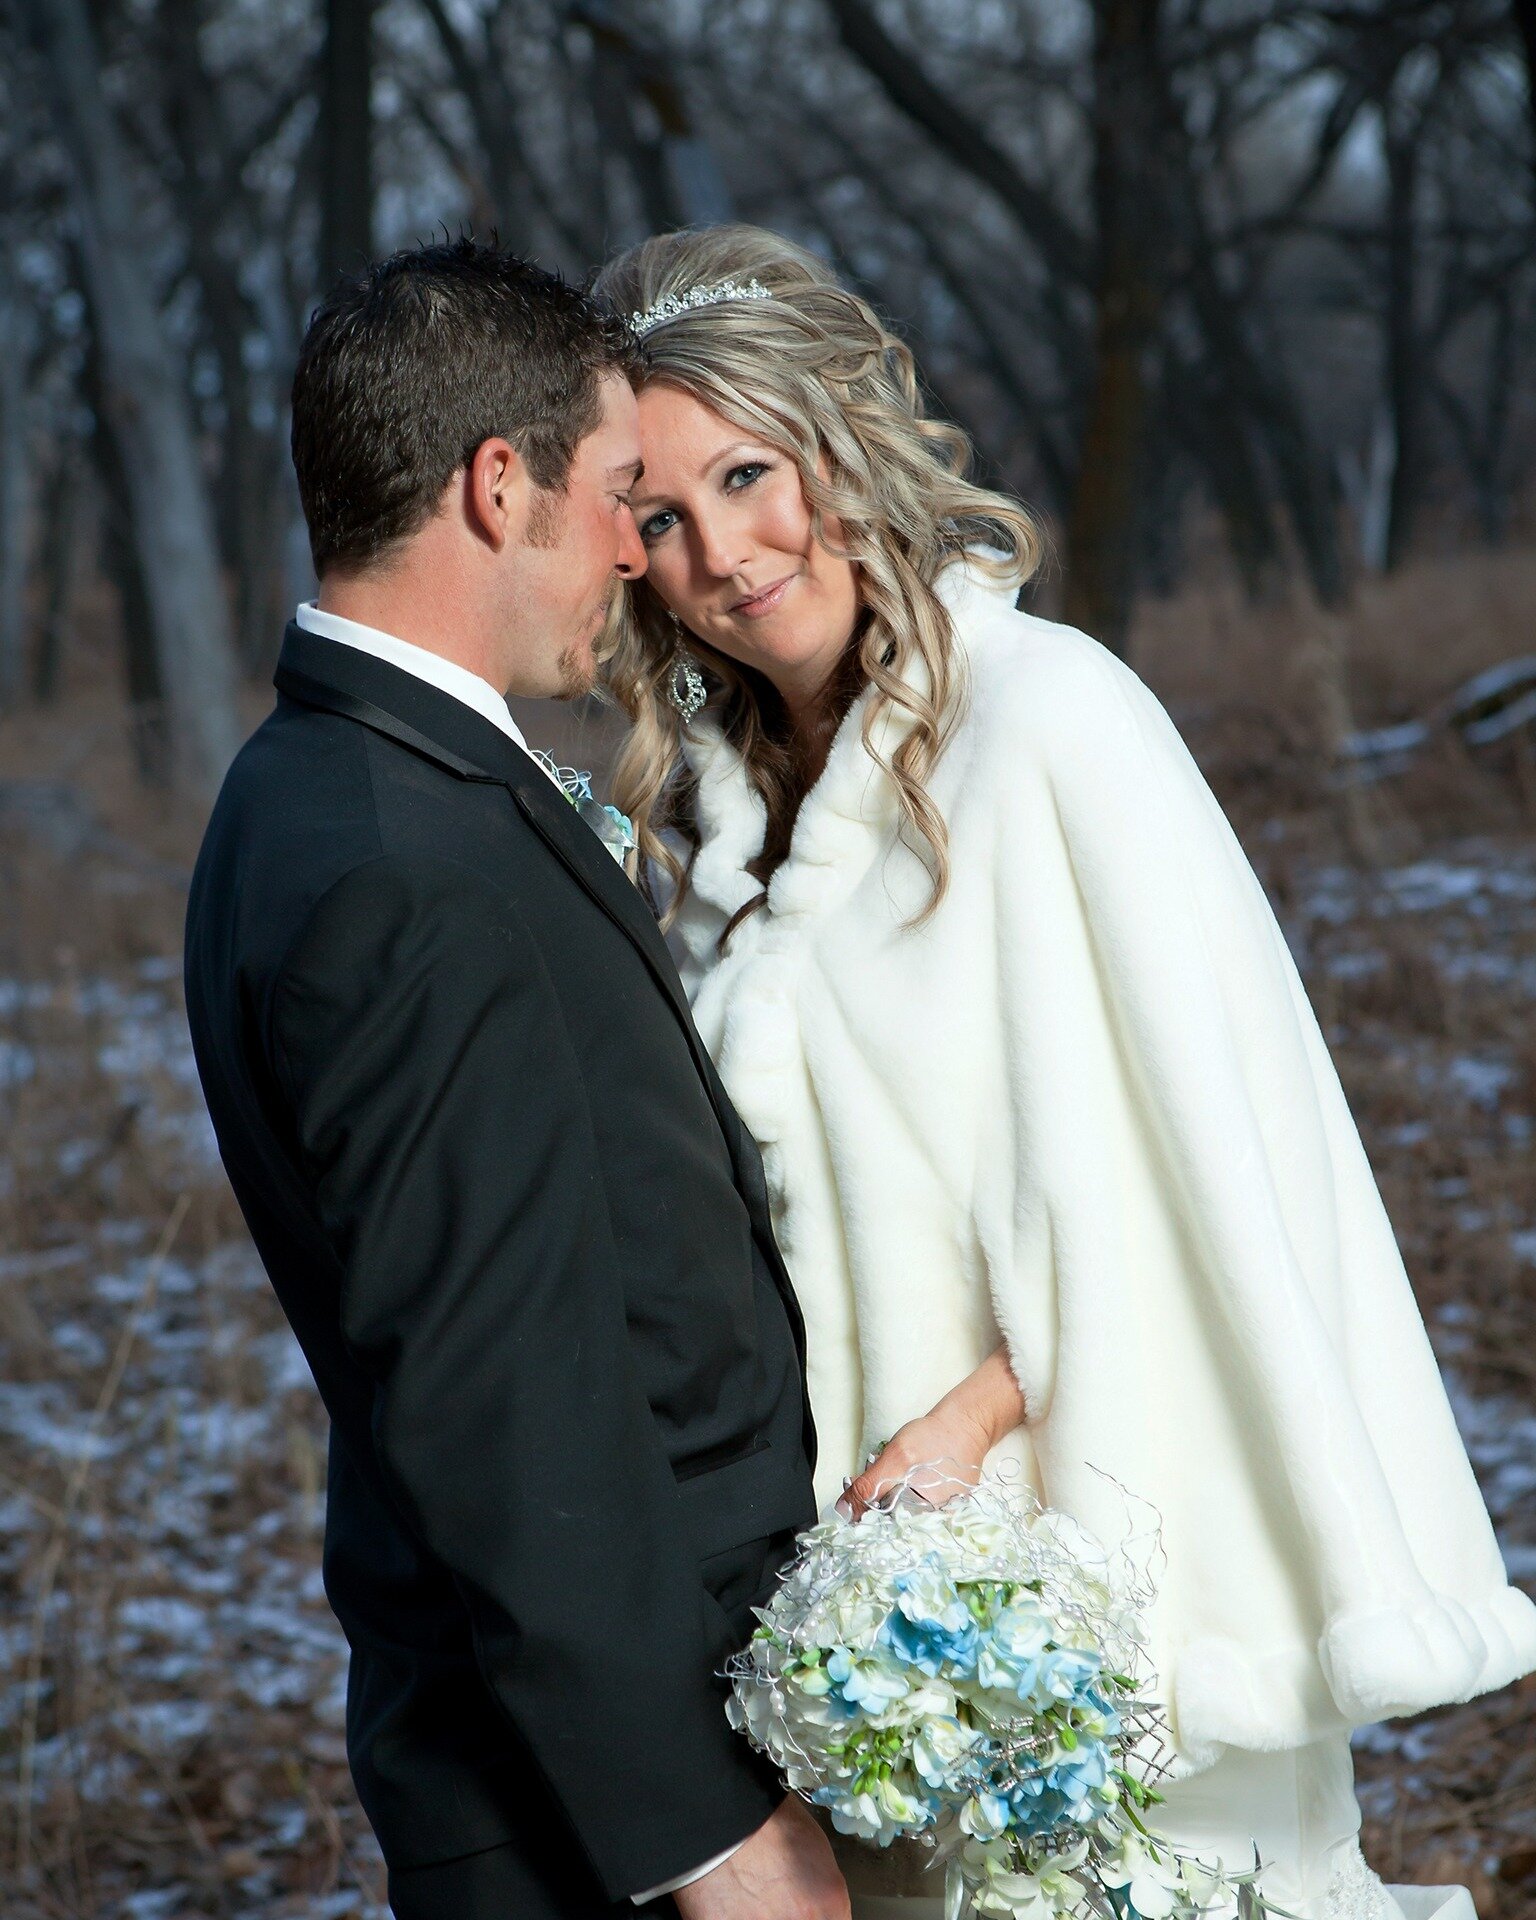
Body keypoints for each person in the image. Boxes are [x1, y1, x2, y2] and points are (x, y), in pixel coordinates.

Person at [591, 224, 1536, 1920]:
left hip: (1113, 1572)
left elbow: (1213, 1181)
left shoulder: (1055, 721)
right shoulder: (707, 825)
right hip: (865, 1636)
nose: (726, 554)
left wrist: (969, 1422)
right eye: (660, 515)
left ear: (839, 438)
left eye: (751, 473)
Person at [184, 239, 851, 1920]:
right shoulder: (402, 860)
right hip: (583, 1811)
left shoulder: (335, 783)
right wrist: (708, 1831)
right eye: (621, 490)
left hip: (581, 1743)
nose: (641, 547)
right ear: (500, 486)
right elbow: (496, 1394)